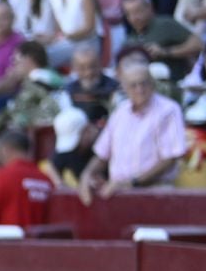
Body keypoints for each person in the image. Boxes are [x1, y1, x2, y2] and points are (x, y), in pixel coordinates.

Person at [81, 62, 188, 198]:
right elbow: (102, 154)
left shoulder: (168, 110)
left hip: (156, 191)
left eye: (144, 83)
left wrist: (132, 183)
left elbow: (170, 158)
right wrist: (87, 174)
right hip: (118, 191)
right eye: (133, 85)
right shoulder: (120, 111)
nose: (140, 89)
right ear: (124, 88)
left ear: (152, 84)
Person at [0, 129, 56, 229]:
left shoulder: (2, 176)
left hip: (8, 243)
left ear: (5, 150)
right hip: (42, 243)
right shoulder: (46, 179)